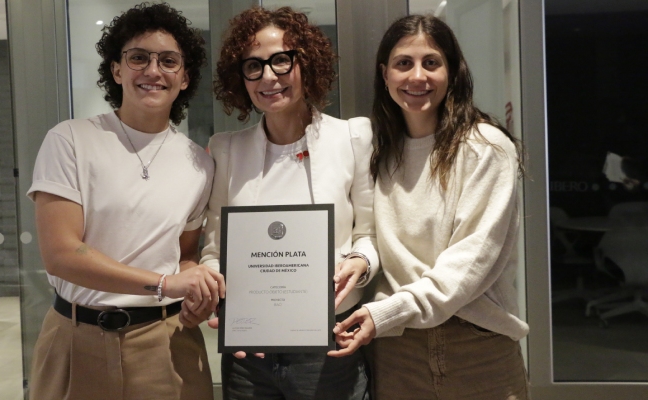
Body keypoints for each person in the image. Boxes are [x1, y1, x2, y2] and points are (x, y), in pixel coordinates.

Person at [27, 3, 224, 400]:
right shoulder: (71, 140)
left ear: (184, 77)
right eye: (138, 58)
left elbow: (183, 255)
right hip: (75, 337)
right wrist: (165, 283)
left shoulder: (199, 163)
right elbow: (61, 254)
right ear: (116, 70)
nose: (153, 70)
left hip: (166, 340)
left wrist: (197, 288)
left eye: (168, 61)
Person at [329, 14, 529, 400]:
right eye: (404, 63)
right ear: (385, 74)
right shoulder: (381, 152)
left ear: (452, 72)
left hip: (476, 344)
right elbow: (375, 234)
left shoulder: (485, 148)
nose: (417, 76)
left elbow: (470, 262)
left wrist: (387, 312)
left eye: (431, 62)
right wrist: (360, 261)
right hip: (396, 349)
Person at [197, 6, 378, 400]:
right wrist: (221, 299)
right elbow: (213, 253)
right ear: (240, 78)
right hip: (250, 350)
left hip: (331, 340)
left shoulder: (352, 138)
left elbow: (368, 235)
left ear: (305, 64)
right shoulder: (226, 149)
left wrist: (360, 264)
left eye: (281, 60)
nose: (268, 76)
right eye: (253, 66)